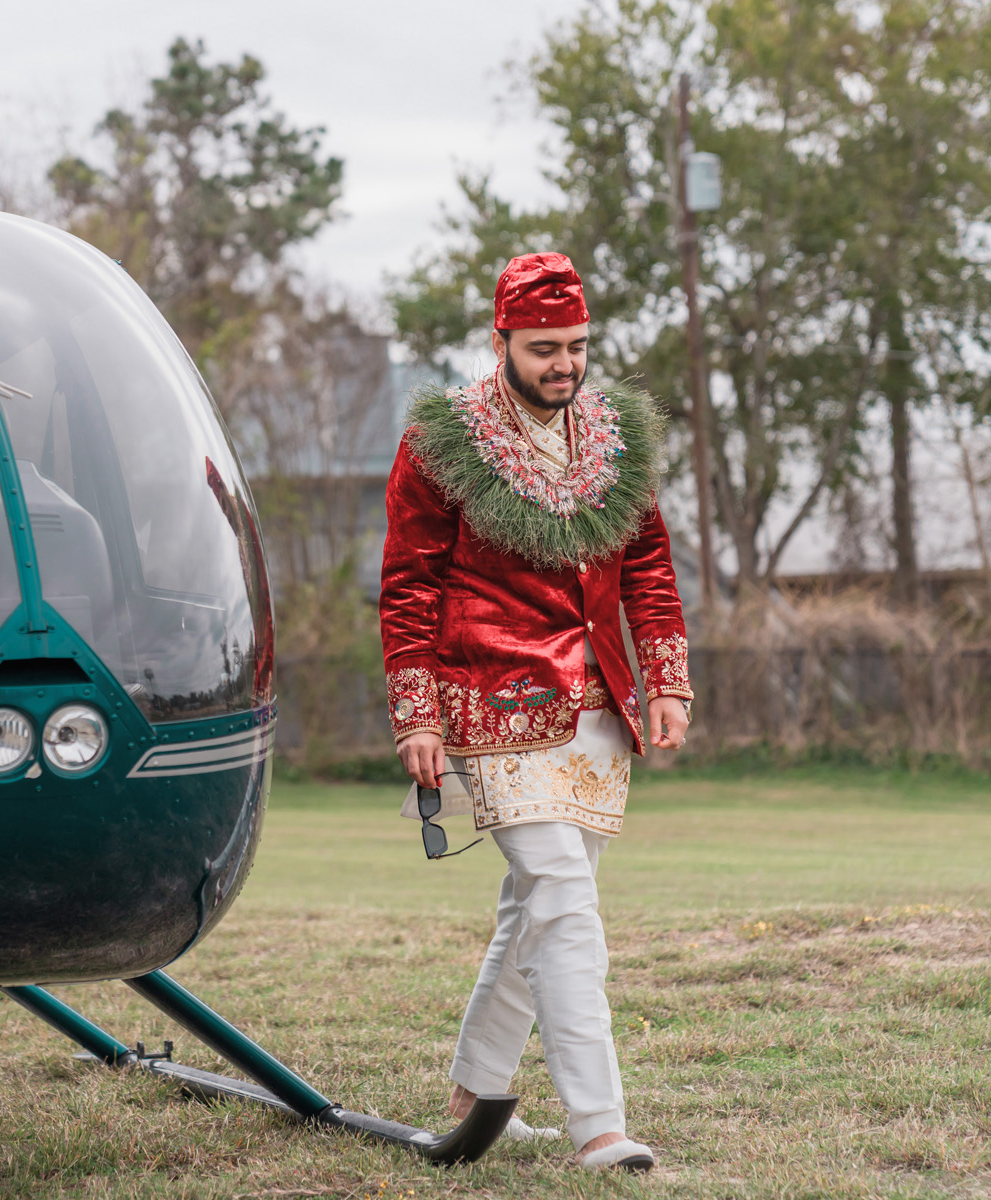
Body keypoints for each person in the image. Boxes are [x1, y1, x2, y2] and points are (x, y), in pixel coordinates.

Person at [380, 252, 692, 1172]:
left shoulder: (613, 434)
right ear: (502, 341)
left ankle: (475, 1091)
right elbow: (408, 585)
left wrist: (666, 676)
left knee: (534, 907)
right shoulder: (443, 442)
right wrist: (416, 713)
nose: (566, 365)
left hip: (597, 703)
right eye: (546, 348)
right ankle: (601, 1125)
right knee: (563, 900)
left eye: (579, 347)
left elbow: (647, 563)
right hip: (487, 698)